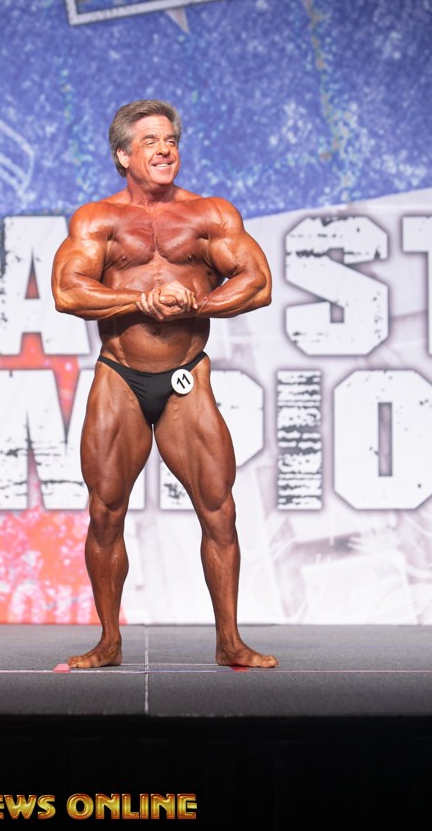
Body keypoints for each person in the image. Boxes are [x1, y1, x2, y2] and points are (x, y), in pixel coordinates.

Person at [51, 99, 278, 670]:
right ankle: (109, 640)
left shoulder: (209, 214)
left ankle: (230, 641)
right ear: (122, 155)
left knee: (219, 510)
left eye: (171, 140)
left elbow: (257, 283)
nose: (164, 149)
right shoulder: (97, 220)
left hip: (186, 377)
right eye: (150, 141)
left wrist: (198, 304)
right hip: (120, 377)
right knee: (105, 511)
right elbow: (67, 291)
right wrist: (141, 300)